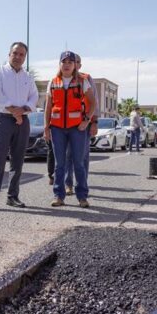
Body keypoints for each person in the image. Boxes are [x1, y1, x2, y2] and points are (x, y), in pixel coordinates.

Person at [0, 42, 39, 212]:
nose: (18, 57)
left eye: (22, 54)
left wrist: (21, 111)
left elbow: (34, 97)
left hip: (22, 121)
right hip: (3, 120)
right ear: (9, 54)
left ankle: (12, 196)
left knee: (18, 160)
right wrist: (12, 109)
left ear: (25, 57)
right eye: (15, 53)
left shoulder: (28, 77)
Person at [44, 51, 95, 208]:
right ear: (59, 64)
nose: (66, 65)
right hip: (57, 128)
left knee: (78, 163)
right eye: (64, 62)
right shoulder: (53, 82)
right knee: (60, 164)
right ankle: (58, 196)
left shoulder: (82, 81)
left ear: (75, 65)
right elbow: (48, 107)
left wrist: (87, 121)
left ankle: (82, 197)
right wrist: (46, 127)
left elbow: (93, 103)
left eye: (70, 62)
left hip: (77, 128)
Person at [64, 53, 98, 195]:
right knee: (67, 155)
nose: (74, 64)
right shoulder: (62, 79)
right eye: (71, 62)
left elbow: (94, 102)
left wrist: (94, 122)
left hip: (84, 124)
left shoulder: (86, 79)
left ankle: (82, 185)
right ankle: (68, 184)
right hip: (66, 125)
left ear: (80, 65)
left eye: (76, 62)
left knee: (82, 156)